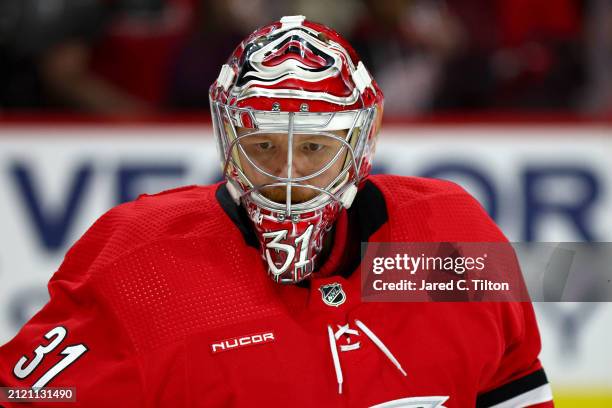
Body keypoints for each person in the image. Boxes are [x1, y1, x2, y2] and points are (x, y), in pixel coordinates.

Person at [0, 16, 553, 407]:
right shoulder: (140, 264)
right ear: (228, 140)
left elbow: (512, 381)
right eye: (263, 145)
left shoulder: (448, 242)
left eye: (314, 146)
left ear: (361, 144)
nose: (289, 174)